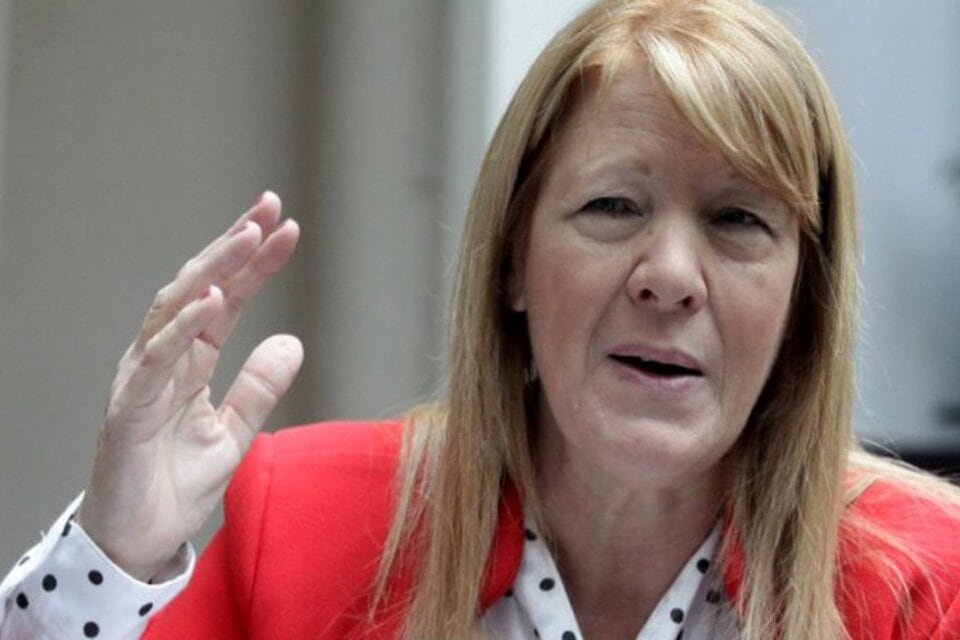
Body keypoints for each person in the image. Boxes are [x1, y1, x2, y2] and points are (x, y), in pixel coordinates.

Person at [2, 0, 960, 638]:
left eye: (738, 220)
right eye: (612, 206)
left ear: (803, 300)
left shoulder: (927, 584)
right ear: (510, 263)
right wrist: (114, 556)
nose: (670, 277)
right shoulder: (302, 523)